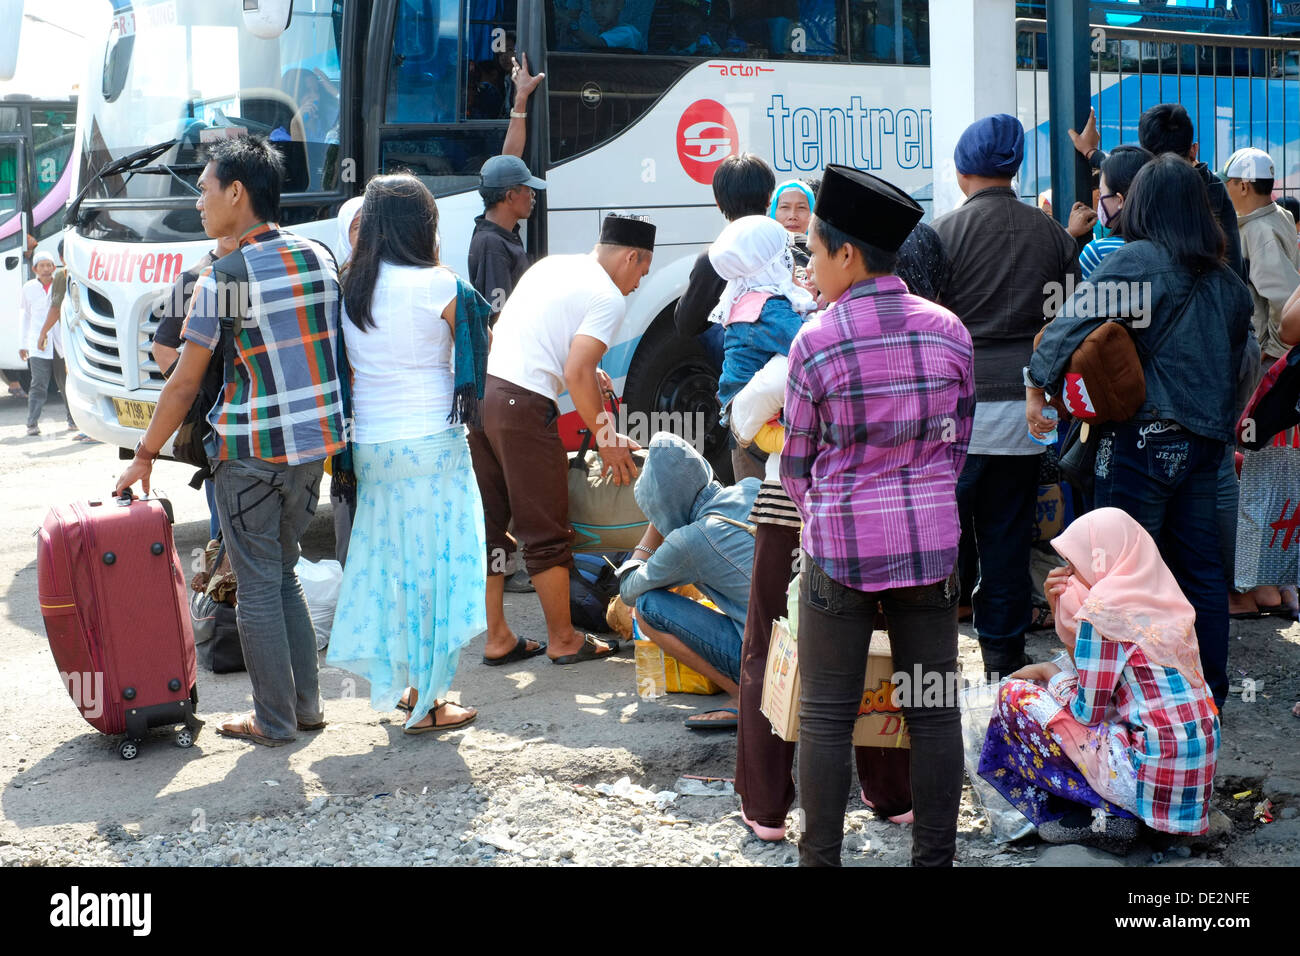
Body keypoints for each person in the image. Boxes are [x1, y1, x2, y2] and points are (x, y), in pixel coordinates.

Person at [114, 136, 347, 747]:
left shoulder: (226, 277)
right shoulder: (317, 255)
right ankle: (307, 706)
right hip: (311, 450)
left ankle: (273, 722)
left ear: (237, 193)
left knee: (256, 587)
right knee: (283, 572)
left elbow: (185, 380)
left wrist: (143, 456)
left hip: (250, 454)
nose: (198, 201)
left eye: (206, 187)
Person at [783, 165, 975, 867]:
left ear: (848, 255)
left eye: (814, 252)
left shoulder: (816, 341)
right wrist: (922, 502)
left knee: (827, 717)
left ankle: (821, 859)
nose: (810, 266)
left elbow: (796, 466)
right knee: (935, 711)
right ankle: (935, 861)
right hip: (931, 547)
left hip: (841, 551)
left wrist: (831, 517)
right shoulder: (951, 332)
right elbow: (958, 441)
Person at [1029, 154, 1253, 709]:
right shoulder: (1229, 284)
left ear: (1144, 206)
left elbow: (1068, 325)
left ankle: (1122, 701)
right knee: (1201, 577)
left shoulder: (1138, 262)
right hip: (1205, 448)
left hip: (1141, 445)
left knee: (1119, 575)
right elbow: (1239, 365)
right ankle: (1204, 698)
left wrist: (1037, 387)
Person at [327, 173, 490, 734]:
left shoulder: (349, 287)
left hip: (370, 446)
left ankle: (409, 688)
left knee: (391, 570)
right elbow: (473, 353)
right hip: (431, 444)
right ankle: (430, 703)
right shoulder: (440, 284)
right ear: (424, 226)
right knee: (436, 573)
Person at [932, 113, 1079, 679]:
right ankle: (1004, 662)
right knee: (1007, 541)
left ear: (962, 168)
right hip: (1027, 411)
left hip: (958, 414)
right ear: (1015, 168)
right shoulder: (1053, 235)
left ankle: (932, 661)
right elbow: (1068, 320)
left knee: (940, 541)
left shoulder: (942, 233)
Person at [469, 213, 652, 667]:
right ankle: (564, 639)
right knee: (546, 528)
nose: (637, 285)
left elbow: (547, 349)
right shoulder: (608, 296)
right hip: (522, 409)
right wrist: (607, 437)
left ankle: (497, 636)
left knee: (494, 524)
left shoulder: (551, 266)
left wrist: (587, 373)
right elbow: (575, 370)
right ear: (631, 256)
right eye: (642, 273)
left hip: (484, 396)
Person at [978, 508, 1220, 850]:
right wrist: (1059, 606)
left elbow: (1087, 711)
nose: (1069, 573)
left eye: (1074, 564)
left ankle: (1103, 816)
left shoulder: (1104, 610)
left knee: (1015, 695)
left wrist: (1049, 673)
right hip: (1190, 787)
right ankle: (1138, 819)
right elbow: (1106, 686)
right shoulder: (1165, 598)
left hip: (1146, 778)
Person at [616, 432, 759, 721]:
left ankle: (744, 698)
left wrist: (656, 526)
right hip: (805, 641)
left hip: (769, 660)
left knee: (647, 607)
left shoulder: (691, 540)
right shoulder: (751, 487)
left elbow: (629, 590)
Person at [1222, 146, 1300, 617]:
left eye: (1230, 183)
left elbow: (1283, 302)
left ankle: (1263, 588)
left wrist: (1270, 363)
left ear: (1244, 185)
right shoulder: (1276, 223)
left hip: (1267, 371)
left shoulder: (1261, 231)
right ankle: (1274, 585)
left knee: (1255, 477)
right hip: (1273, 376)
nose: (1227, 190)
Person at [1069, 103, 1245, 280]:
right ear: (1194, 149)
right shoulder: (1213, 186)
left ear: (1144, 156)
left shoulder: (1150, 190)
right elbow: (1234, 263)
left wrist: (1090, 151)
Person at [148, 233, 240, 540]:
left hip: (266, 427)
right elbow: (163, 349)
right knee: (226, 538)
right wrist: (198, 397)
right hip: (220, 432)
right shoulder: (194, 278)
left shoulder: (265, 267)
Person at [675, 152, 777, 390]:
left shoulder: (714, 257)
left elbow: (686, 323)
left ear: (718, 202)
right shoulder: (788, 246)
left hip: (743, 380)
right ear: (768, 200)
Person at [329, 196, 365, 567]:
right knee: (349, 509)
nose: (366, 234)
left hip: (382, 416)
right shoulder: (337, 281)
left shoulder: (395, 275)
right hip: (348, 418)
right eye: (357, 227)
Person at [469, 155, 546, 323]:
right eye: (528, 189)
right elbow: (498, 315)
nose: (533, 195)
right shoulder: (492, 244)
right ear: (510, 196)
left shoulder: (500, 235)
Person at [1078, 145, 1154, 280]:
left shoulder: (1098, 253)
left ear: (1120, 200)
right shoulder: (1175, 248)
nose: (1100, 199)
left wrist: (1069, 235)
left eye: (1102, 193)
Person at [19, 251, 74, 437]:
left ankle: (72, 420)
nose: (45, 269)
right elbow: (25, 315)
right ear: (34, 268)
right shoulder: (28, 288)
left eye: (48, 265)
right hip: (37, 343)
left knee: (66, 382)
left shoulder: (61, 283)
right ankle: (32, 423)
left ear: (54, 267)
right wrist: (23, 343)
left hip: (60, 341)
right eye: (41, 265)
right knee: (38, 384)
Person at [560, 0, 647, 51]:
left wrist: (570, 25)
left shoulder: (627, 33)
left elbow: (597, 44)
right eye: (593, 5)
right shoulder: (602, 33)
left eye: (603, 3)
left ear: (620, 4)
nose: (597, 10)